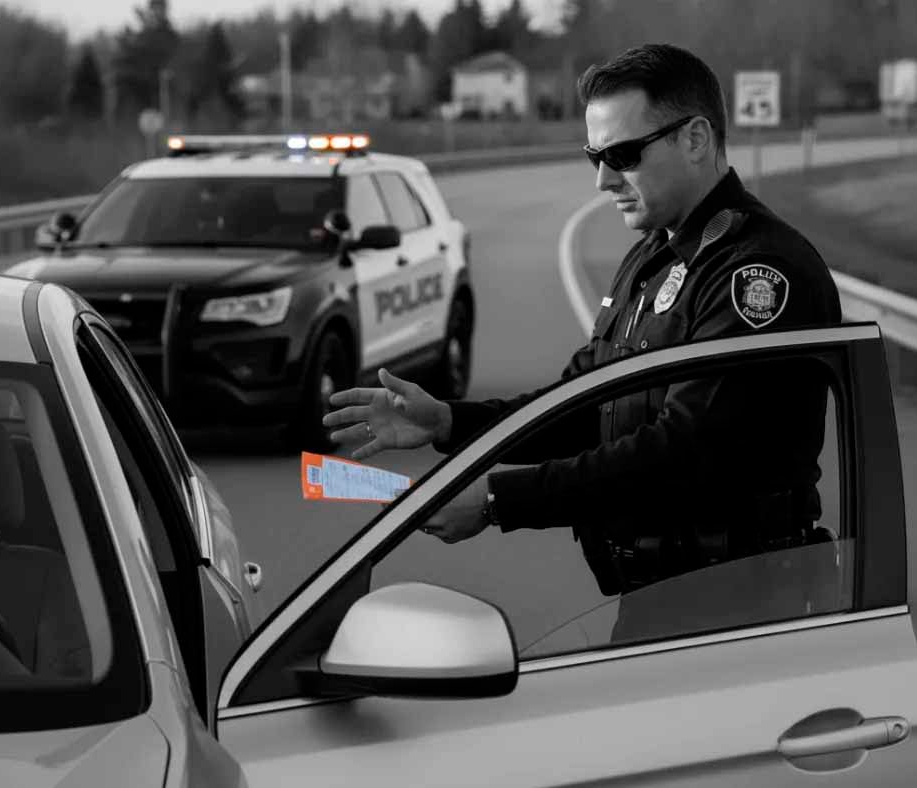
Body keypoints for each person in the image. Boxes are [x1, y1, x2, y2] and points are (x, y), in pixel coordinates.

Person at [323, 43, 841, 600]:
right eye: (592, 156)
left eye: (622, 155)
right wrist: (451, 422)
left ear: (695, 139)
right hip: (662, 601)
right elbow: (585, 404)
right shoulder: (651, 255)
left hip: (748, 608)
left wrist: (500, 500)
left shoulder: (757, 274)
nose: (602, 180)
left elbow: (686, 452)